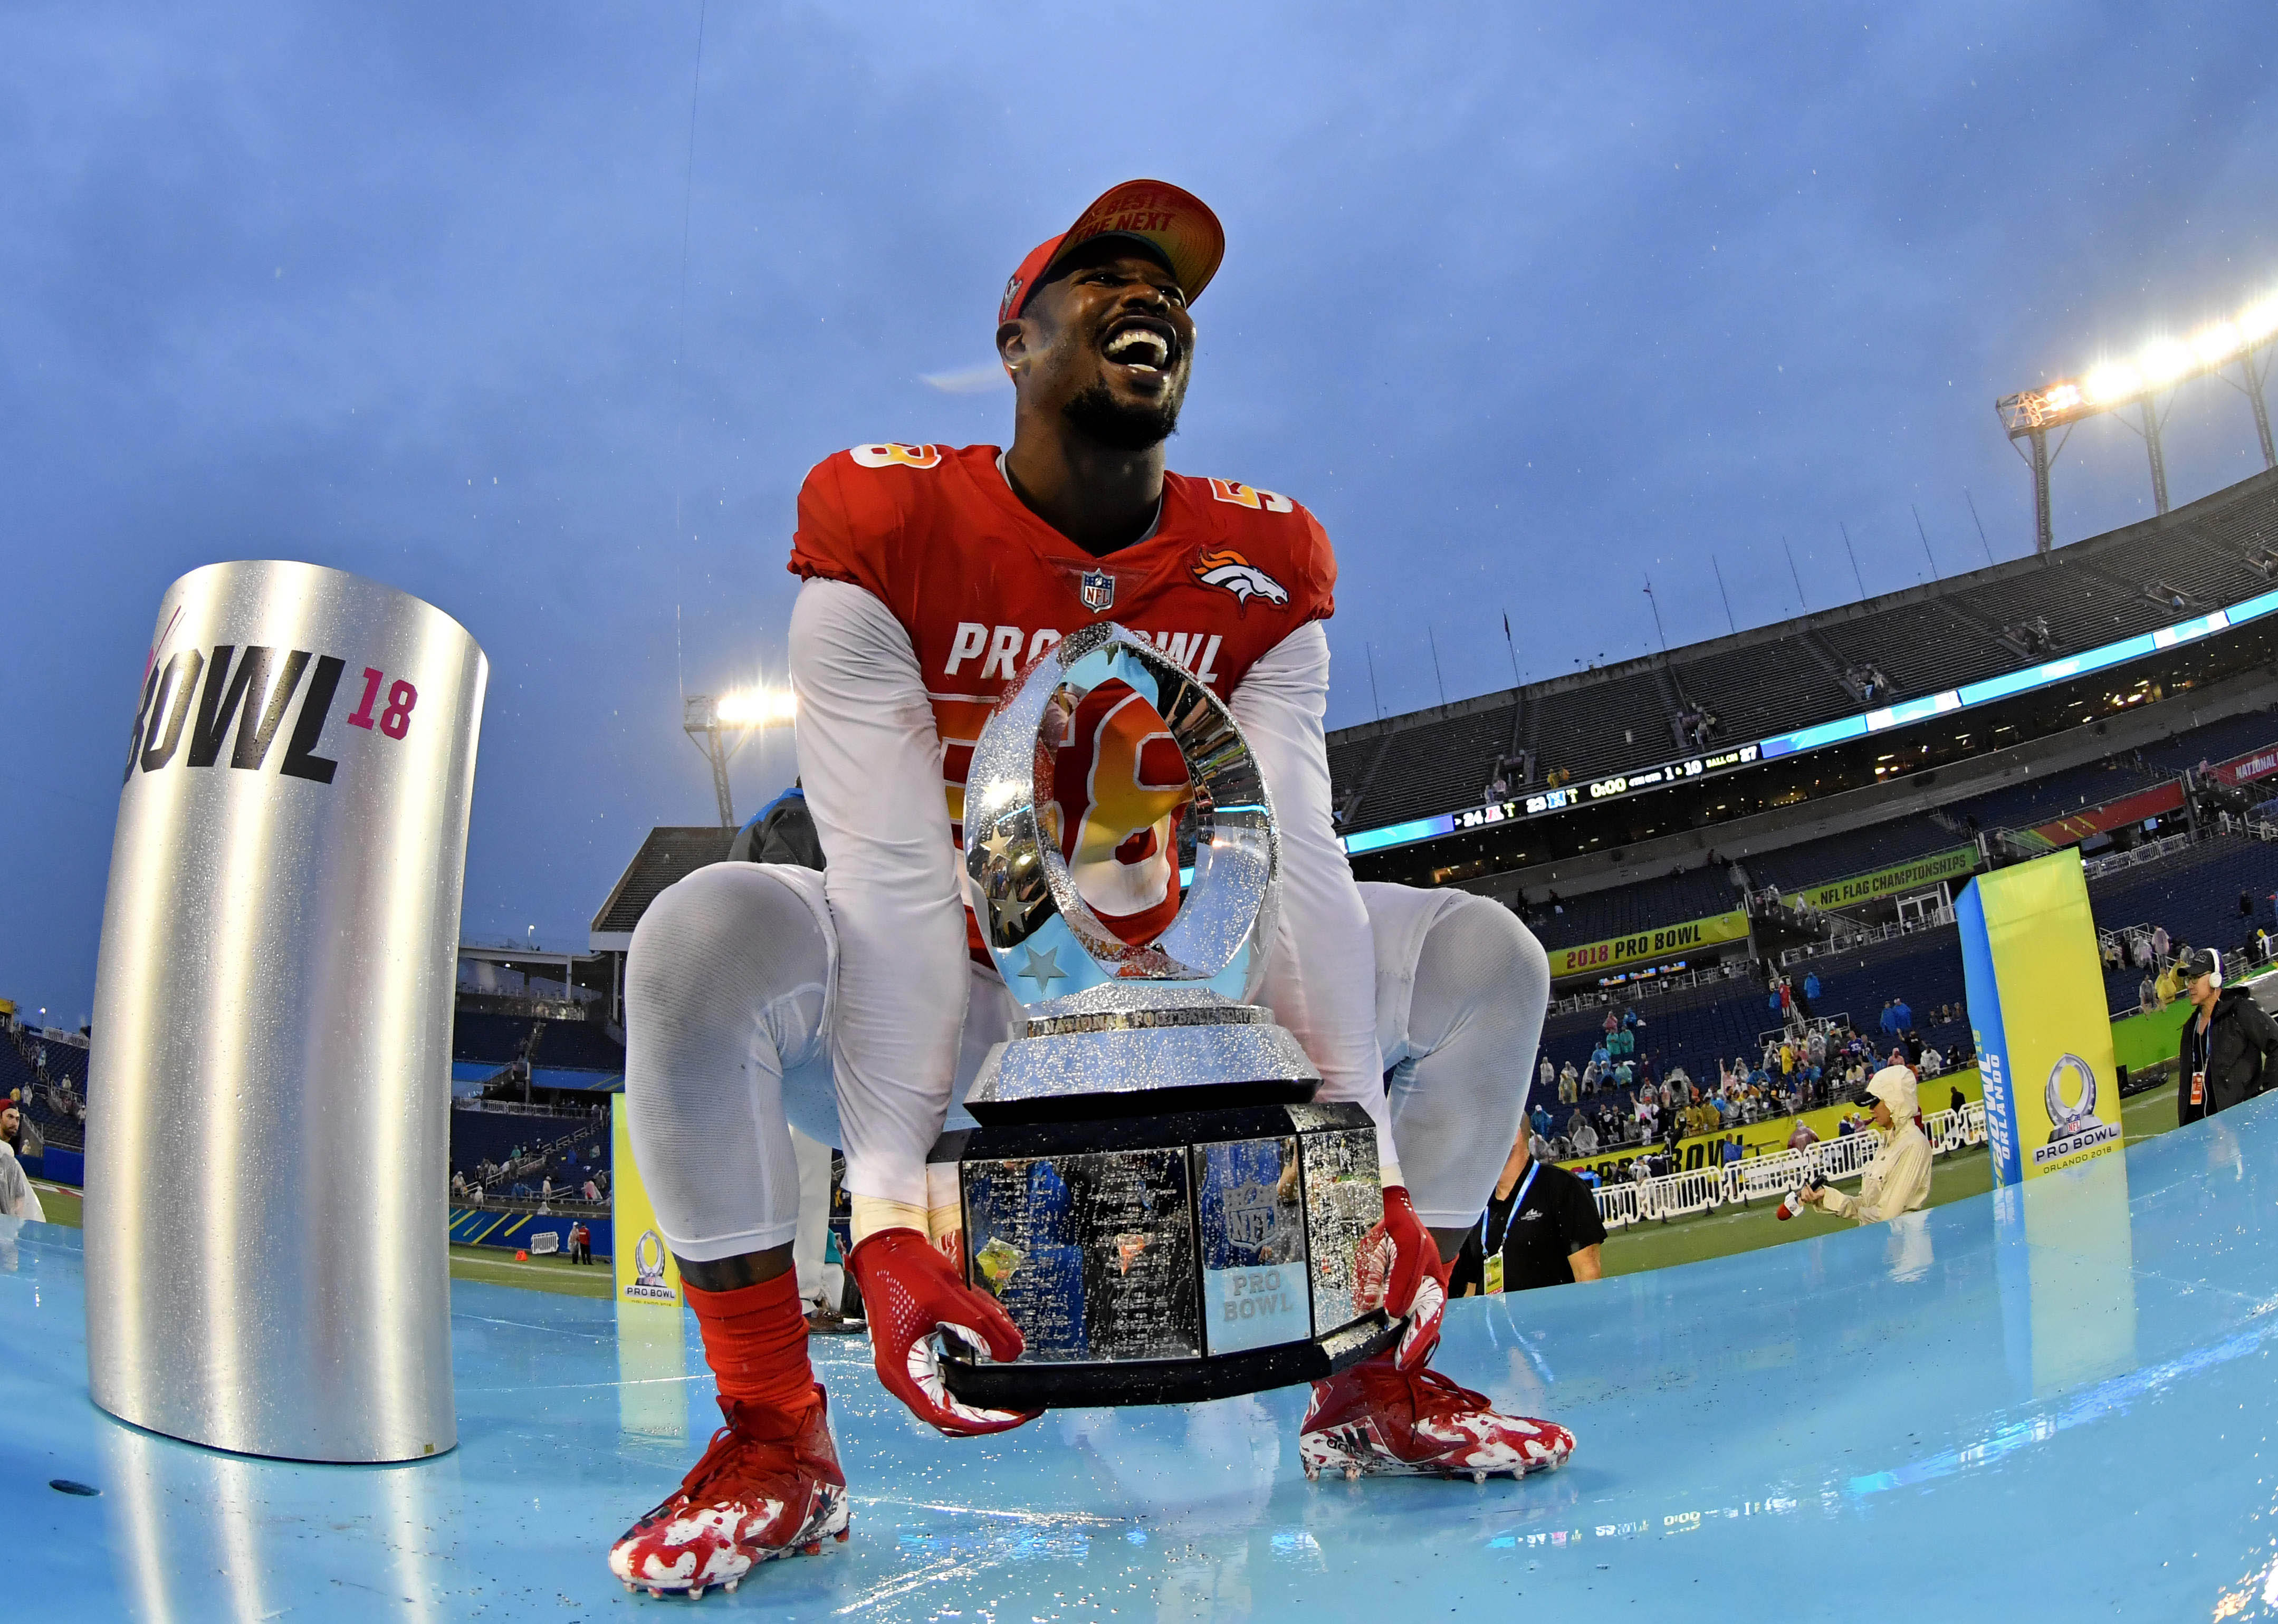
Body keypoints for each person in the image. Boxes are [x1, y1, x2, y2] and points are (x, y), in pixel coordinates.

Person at [607, 181, 1570, 1597]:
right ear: (1017, 339)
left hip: (1184, 1002)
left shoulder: (1261, 559)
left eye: (1170, 288)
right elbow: (879, 879)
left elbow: (1294, 853)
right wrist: (882, 1209)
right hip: (953, 1012)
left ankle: (1367, 1381)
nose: (1150, 300)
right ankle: (774, 1434)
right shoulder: (884, 514)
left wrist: (1360, 1154)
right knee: (703, 936)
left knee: (1489, 958)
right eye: (1104, 276)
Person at [1448, 1135, 1605, 1295]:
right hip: (1494, 1320)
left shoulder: (1563, 1186)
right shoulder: (1477, 1203)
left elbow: (1588, 1275)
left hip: (1552, 1319)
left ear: (1514, 1134)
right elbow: (1472, 1286)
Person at [1788, 1065, 1930, 1226]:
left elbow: (1886, 1215)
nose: (1870, 1110)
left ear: (1895, 1101)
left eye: (1875, 1103)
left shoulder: (1914, 1144)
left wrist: (1856, 1211)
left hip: (1905, 1246)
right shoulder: (1888, 1143)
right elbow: (1866, 1204)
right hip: (1883, 1241)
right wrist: (1825, 1197)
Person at [2179, 948, 2278, 1124]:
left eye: (2195, 978)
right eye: (2188, 980)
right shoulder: (2190, 1028)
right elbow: (2187, 1084)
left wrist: (2265, 1095)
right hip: (2201, 1130)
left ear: (2215, 978)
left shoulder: (2240, 1010)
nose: (2190, 985)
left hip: (2240, 1124)